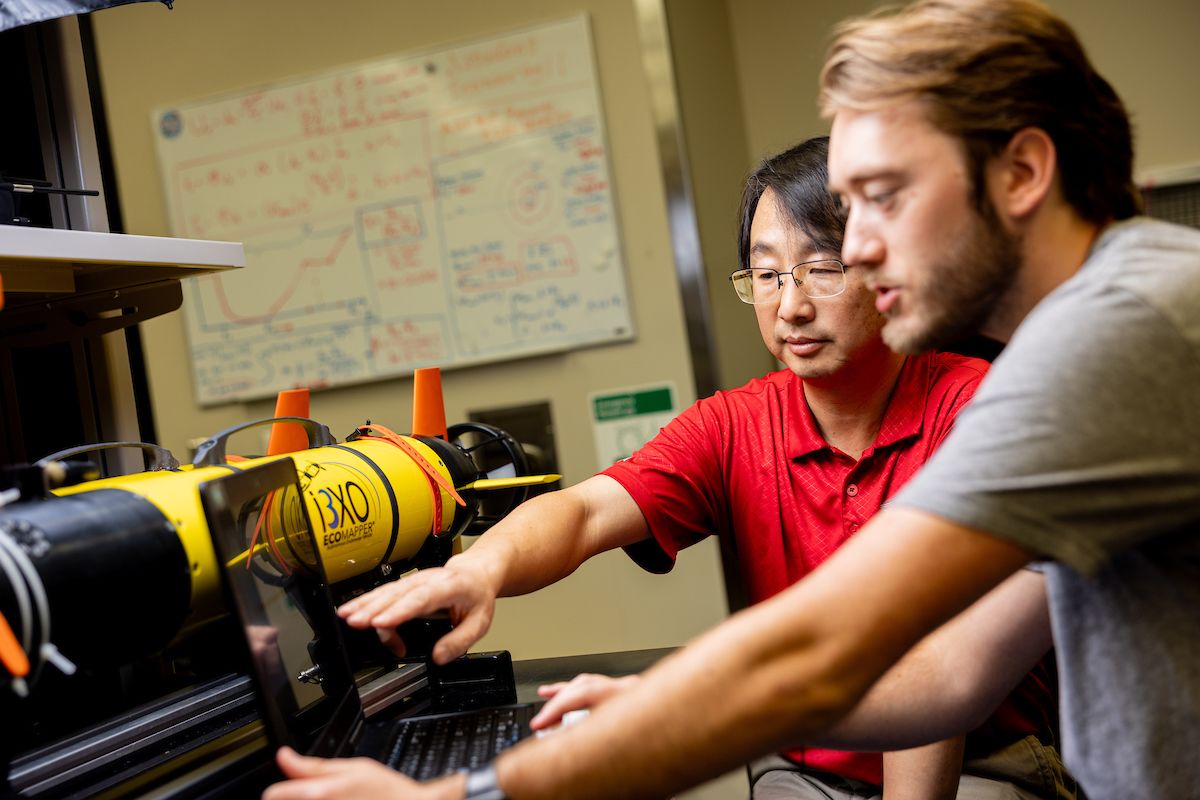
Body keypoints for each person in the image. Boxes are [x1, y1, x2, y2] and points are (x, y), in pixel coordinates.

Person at [263, 0, 1200, 797]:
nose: (858, 250)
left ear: (1023, 172)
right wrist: (644, 696)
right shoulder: (1111, 324)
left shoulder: (1116, 339)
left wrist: (470, 792)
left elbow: (826, 654)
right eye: (776, 266)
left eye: (883, 196)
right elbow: (951, 672)